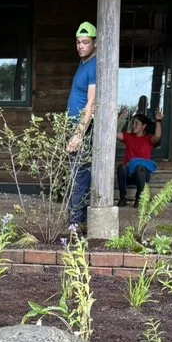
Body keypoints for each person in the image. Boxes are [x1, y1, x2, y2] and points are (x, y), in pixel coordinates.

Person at [67, 21, 97, 226]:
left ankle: (76, 224)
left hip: (83, 128)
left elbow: (91, 102)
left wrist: (79, 133)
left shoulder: (94, 65)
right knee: (73, 174)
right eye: (78, 42)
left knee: (80, 175)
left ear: (95, 43)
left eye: (85, 42)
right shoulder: (83, 62)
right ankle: (79, 221)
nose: (80, 46)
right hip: (74, 126)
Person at [116, 109, 162, 207]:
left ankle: (139, 199)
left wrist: (158, 121)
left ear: (144, 126)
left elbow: (157, 137)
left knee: (140, 168)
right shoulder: (129, 137)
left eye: (137, 124)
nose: (133, 126)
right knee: (121, 167)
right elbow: (113, 133)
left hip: (142, 175)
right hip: (129, 176)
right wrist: (118, 119)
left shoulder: (148, 139)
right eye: (133, 124)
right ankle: (123, 198)